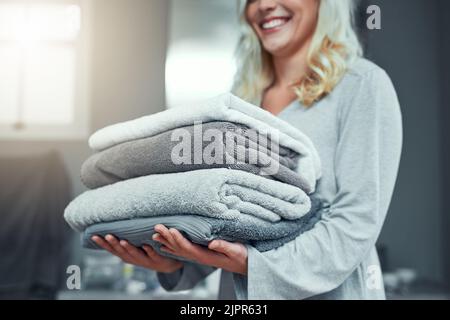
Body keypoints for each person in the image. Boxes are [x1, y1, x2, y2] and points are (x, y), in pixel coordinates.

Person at [92, 0, 403, 299]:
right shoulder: (241, 103)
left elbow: (355, 223)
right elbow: (231, 221)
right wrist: (176, 261)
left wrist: (253, 265)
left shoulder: (362, 85)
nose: (264, 5)